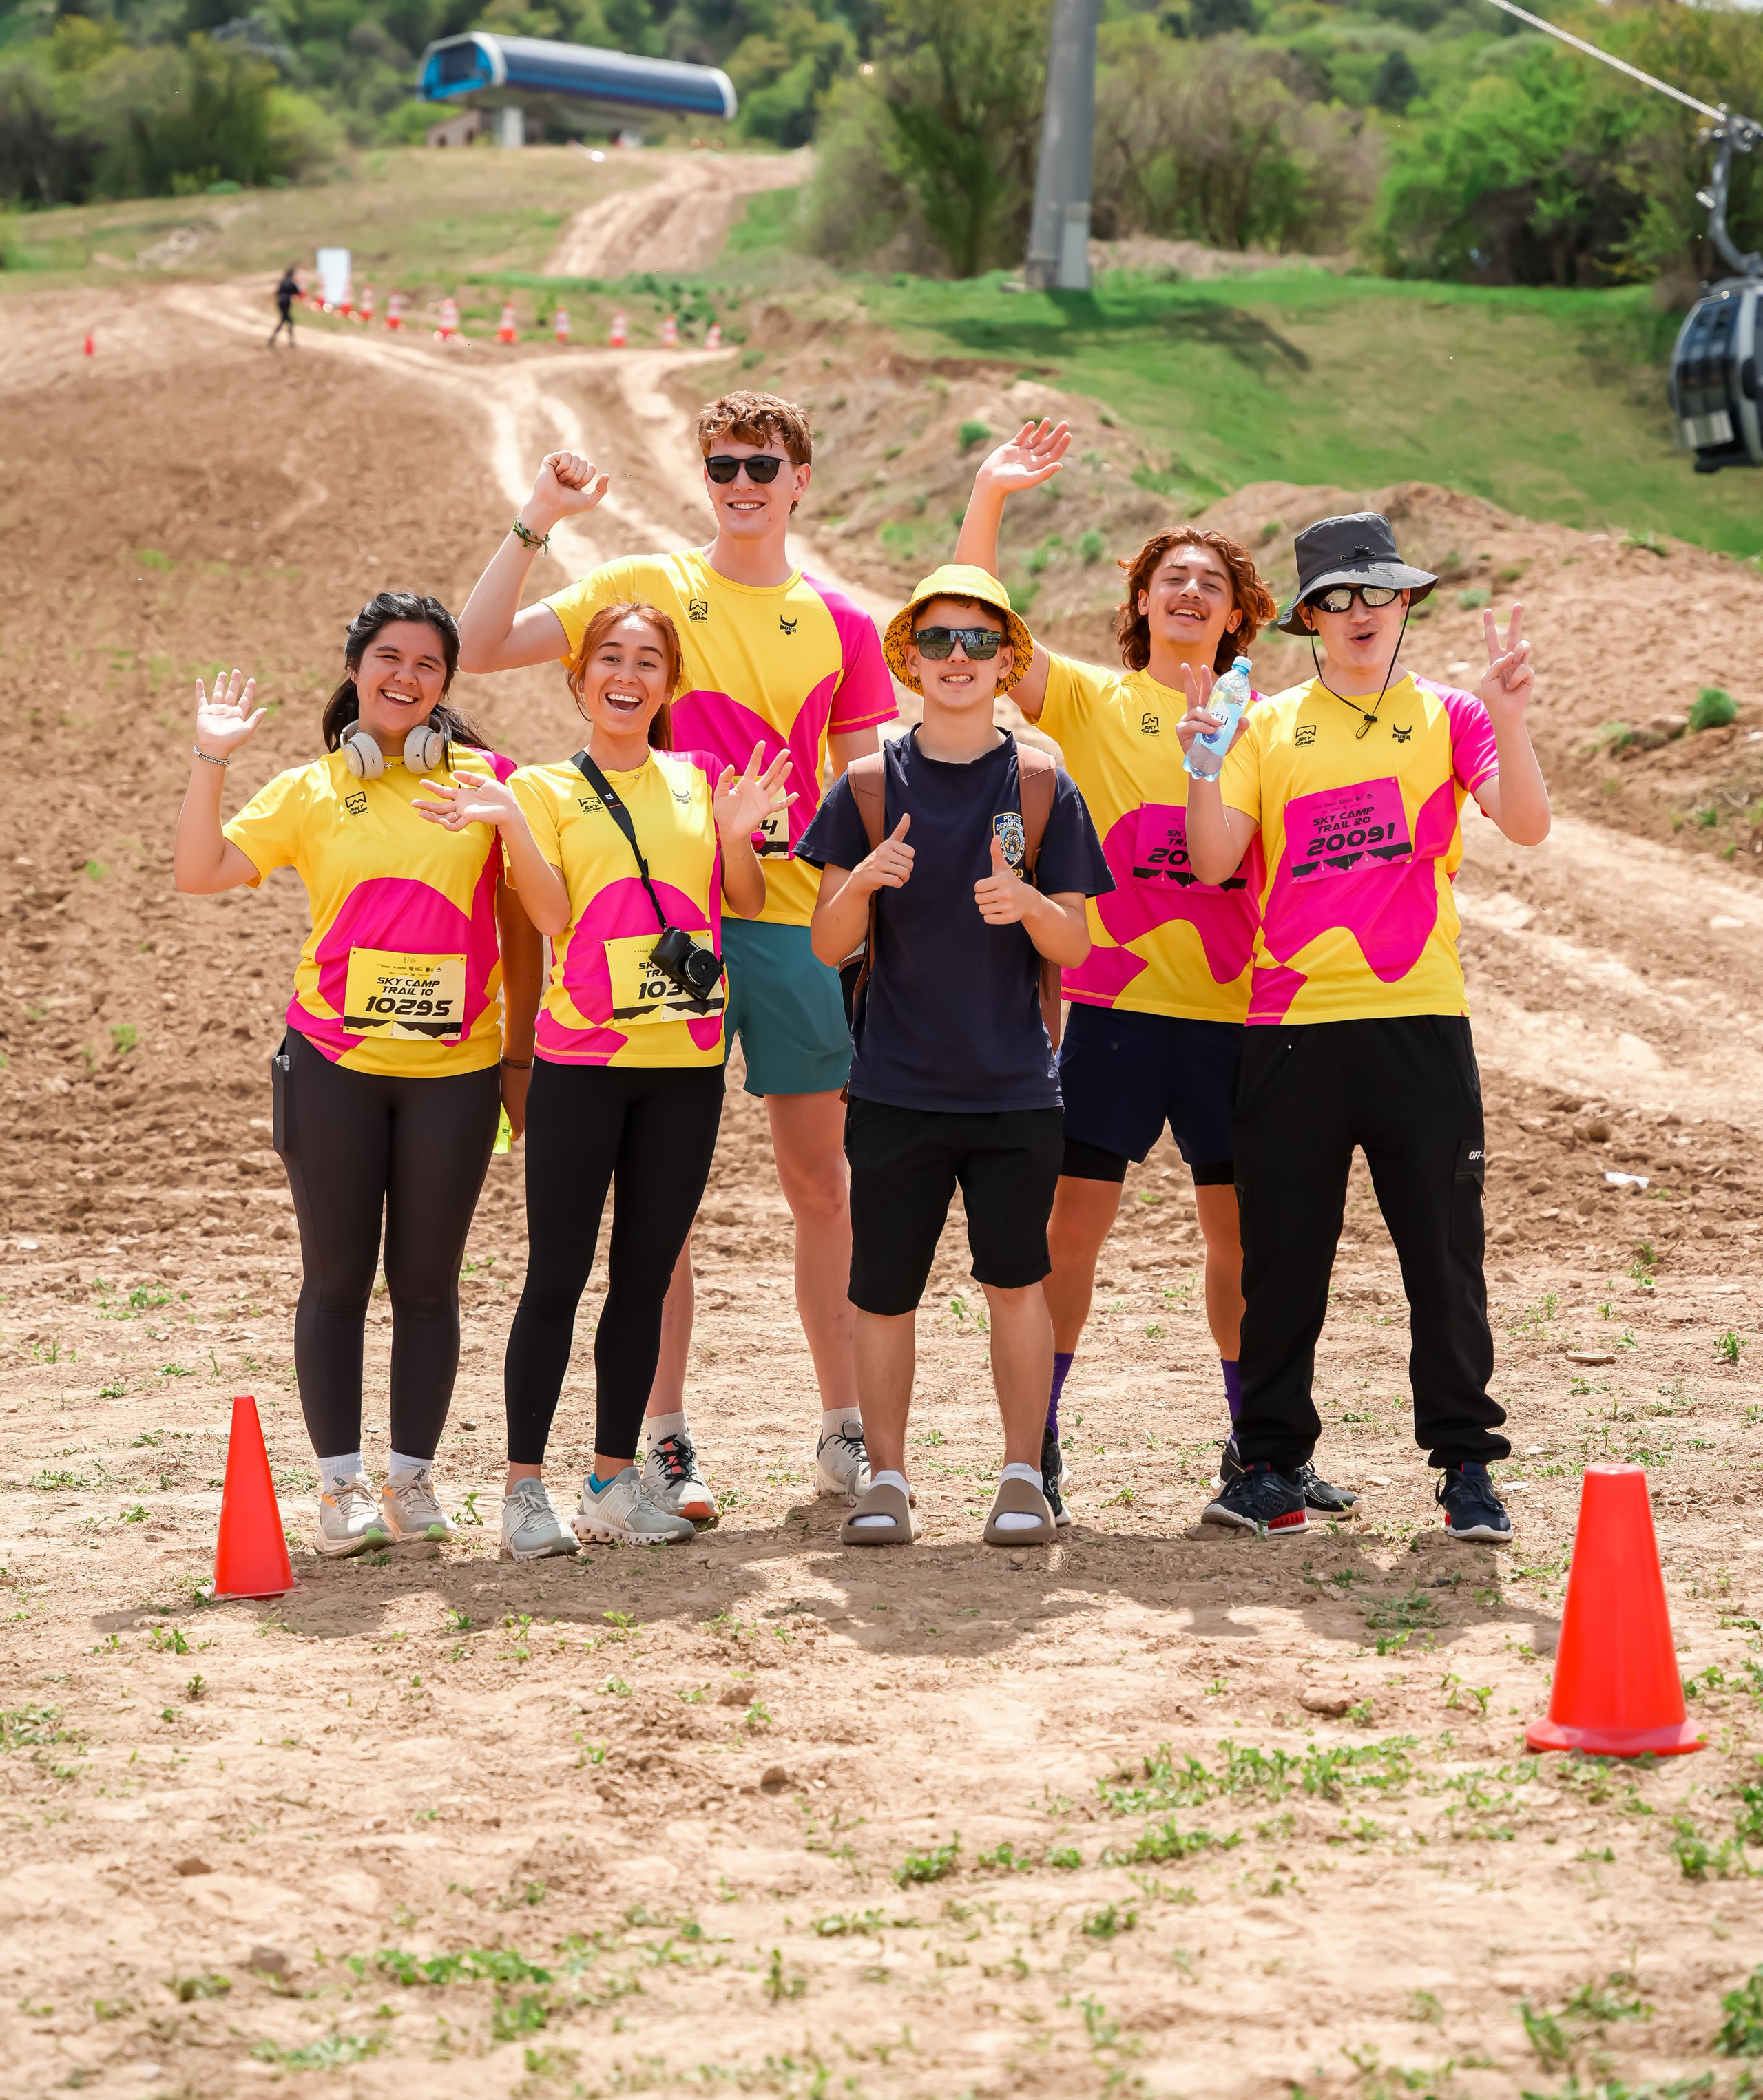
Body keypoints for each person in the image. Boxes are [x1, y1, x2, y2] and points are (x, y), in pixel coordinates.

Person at [455, 392, 897, 1521]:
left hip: (790, 925)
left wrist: (870, 910)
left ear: (801, 478)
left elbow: (862, 789)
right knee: (668, 1208)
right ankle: (664, 1440)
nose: (740, 483)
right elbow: (485, 646)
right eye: (722, 465)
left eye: (761, 465)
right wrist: (536, 519)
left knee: (819, 1185)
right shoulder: (645, 590)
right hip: (667, 940)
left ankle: (842, 1430)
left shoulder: (841, 624)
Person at [956, 420, 1358, 1528]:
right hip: (1114, 1016)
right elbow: (972, 619)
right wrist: (992, 496)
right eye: (1171, 579)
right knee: (1070, 1232)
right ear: (1140, 605)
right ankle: (1034, 1450)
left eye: (1212, 583)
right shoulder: (1089, 700)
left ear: (1240, 614)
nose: (1190, 593)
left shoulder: (1272, 722)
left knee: (1243, 1242)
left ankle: (1257, 1452)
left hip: (1240, 1019)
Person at [1180, 512, 1551, 1541]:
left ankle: (1468, 1468)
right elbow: (1213, 864)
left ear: (1403, 603)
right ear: (1308, 616)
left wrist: (1512, 719)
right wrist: (1204, 766)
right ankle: (1271, 1466)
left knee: (1442, 1254)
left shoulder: (1453, 716)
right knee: (1285, 1258)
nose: (1358, 613)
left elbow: (1524, 824)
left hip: (1419, 1020)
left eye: (1376, 592)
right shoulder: (1264, 725)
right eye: (1336, 598)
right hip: (1291, 1027)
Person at [415, 604, 793, 1554]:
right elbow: (550, 916)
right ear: (579, 677)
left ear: (669, 683)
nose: (628, 675)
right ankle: (522, 1490)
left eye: (650, 661)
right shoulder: (540, 788)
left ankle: (616, 1483)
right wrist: (510, 826)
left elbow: (739, 900)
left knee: (643, 1277)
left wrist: (739, 832)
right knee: (557, 1276)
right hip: (582, 1067)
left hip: (685, 1068)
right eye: (610, 659)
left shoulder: (699, 779)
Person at [172, 592, 542, 1557]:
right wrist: (213, 755)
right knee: (336, 1279)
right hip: (333, 1065)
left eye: (427, 664)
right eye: (388, 657)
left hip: (454, 1073)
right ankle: (338, 1490)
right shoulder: (309, 790)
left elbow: (525, 925)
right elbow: (201, 869)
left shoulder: (490, 784)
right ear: (355, 669)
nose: (405, 677)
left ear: (446, 686)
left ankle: (412, 1482)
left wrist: (516, 1060)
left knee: (428, 1283)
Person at [798, 566, 1112, 1548]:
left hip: (1015, 1087)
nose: (959, 660)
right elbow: (825, 940)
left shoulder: (1040, 782)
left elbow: (1079, 942)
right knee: (883, 1291)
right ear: (907, 660)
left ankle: (1023, 1477)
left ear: (1010, 659)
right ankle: (886, 1482)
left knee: (1015, 1284)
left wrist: (1029, 906)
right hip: (895, 1086)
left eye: (981, 643)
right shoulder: (864, 782)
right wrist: (867, 884)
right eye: (938, 642)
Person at [269, 264, 301, 349]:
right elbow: (298, 293)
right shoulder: (292, 283)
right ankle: (289, 341)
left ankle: (275, 339)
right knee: (287, 321)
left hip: (281, 302)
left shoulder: (282, 282)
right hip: (287, 303)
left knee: (285, 321)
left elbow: (277, 292)